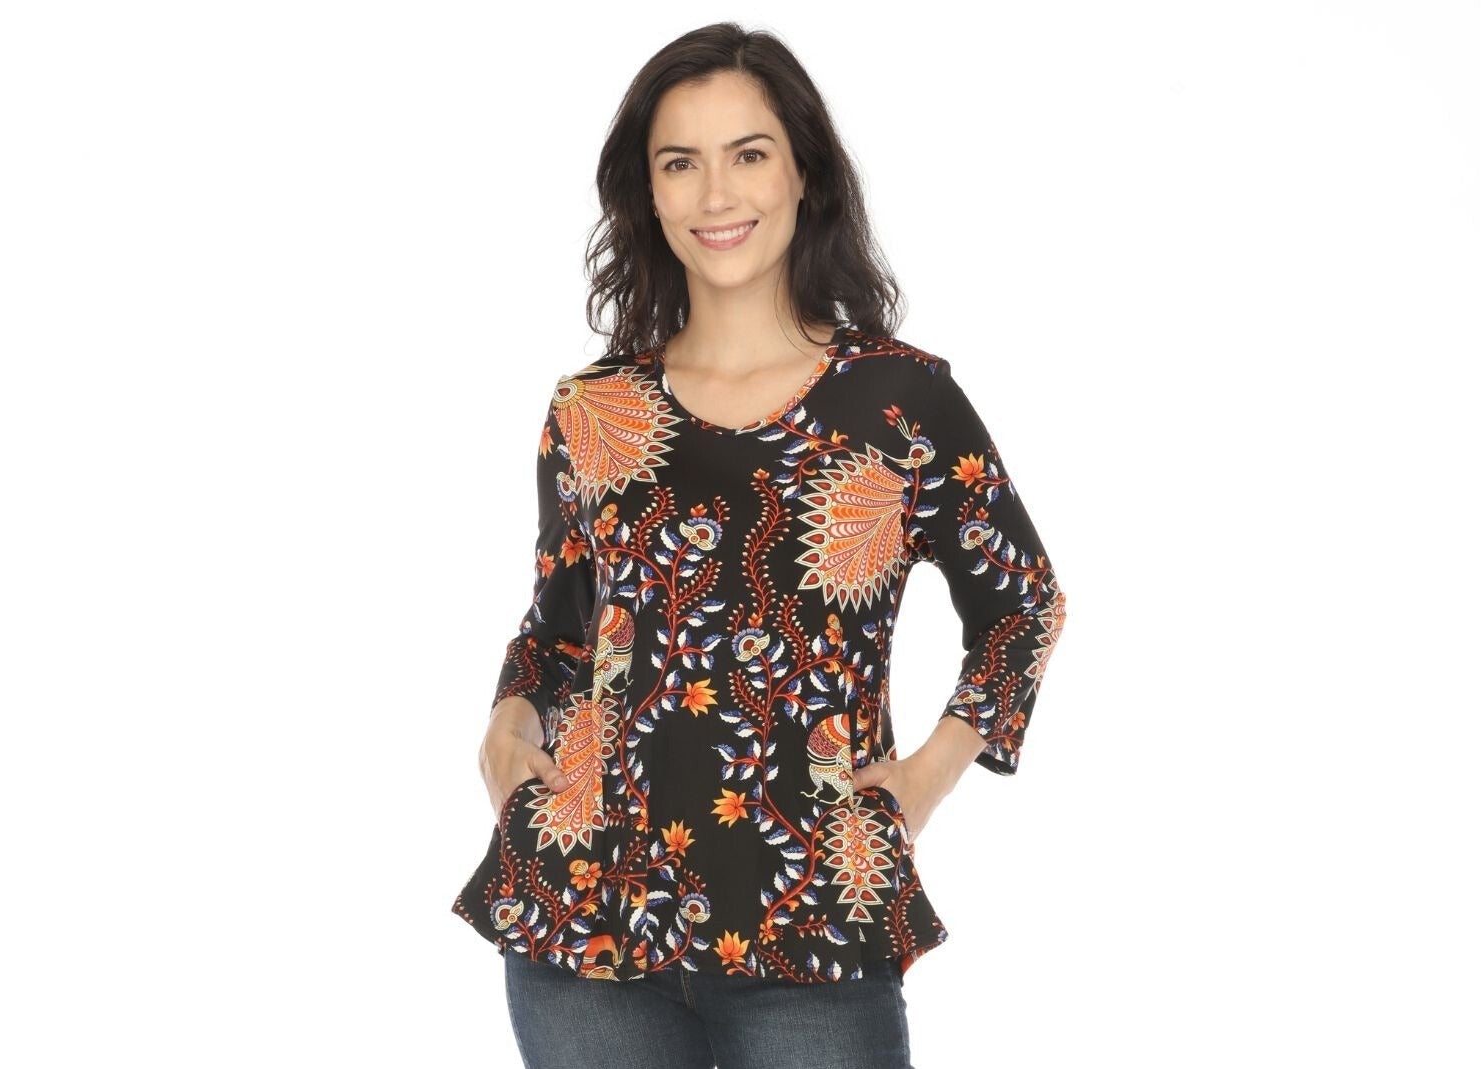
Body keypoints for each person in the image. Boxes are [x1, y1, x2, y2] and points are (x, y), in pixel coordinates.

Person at [451, 22, 1068, 1069]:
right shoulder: (593, 410)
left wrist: (925, 776)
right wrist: (507, 724)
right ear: (648, 194)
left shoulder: (899, 399)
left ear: (802, 174)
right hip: (582, 913)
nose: (714, 194)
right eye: (678, 163)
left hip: (809, 920)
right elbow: (559, 627)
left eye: (747, 154)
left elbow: (1022, 604)